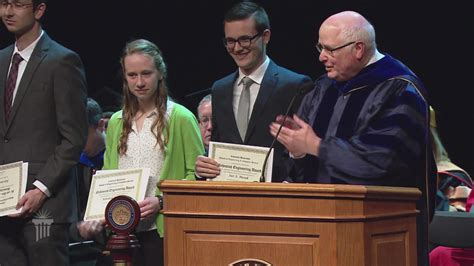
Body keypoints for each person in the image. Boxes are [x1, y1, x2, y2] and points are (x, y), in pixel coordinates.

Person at [269, 11, 436, 265]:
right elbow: (300, 165)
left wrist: (316, 146)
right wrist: (298, 152)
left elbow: (384, 160)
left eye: (329, 49)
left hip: (381, 237)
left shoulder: (401, 90)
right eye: (320, 47)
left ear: (359, 49)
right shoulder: (321, 89)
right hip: (319, 232)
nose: (321, 56)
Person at [0, 0, 88, 265]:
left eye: (18, 4)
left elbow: (73, 138)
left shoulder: (62, 61)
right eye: (4, 3)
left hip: (46, 206)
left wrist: (41, 188)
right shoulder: (2, 59)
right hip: (5, 203)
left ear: (39, 10)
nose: (8, 11)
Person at [103, 39, 204, 266]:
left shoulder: (181, 118)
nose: (139, 82)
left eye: (146, 73)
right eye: (132, 75)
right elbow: (108, 175)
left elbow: (196, 177)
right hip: (122, 232)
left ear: (160, 73)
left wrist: (162, 201)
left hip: (163, 229)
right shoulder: (116, 122)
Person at [195, 1, 312, 182]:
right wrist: (203, 168)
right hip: (229, 200)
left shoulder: (295, 86)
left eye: (245, 39)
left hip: (277, 200)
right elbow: (216, 147)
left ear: (265, 36)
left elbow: (305, 152)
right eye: (230, 41)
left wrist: (290, 183)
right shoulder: (220, 89)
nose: (237, 48)